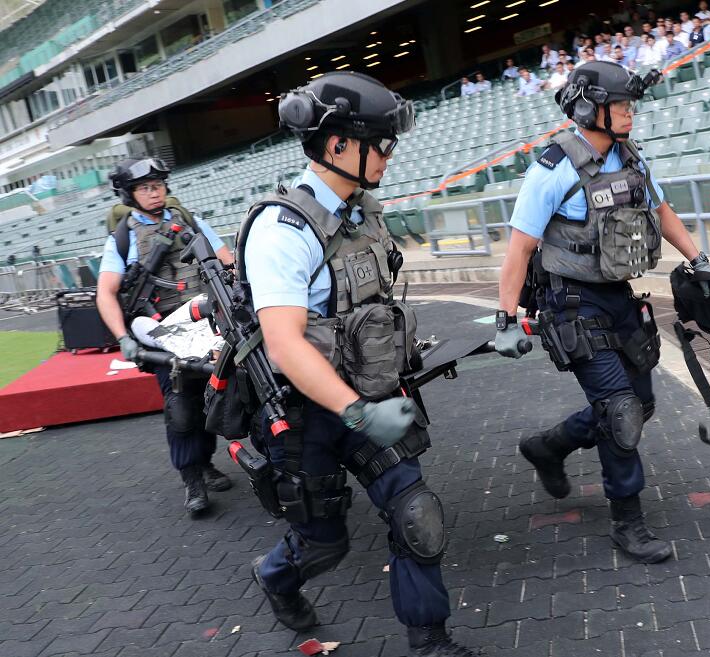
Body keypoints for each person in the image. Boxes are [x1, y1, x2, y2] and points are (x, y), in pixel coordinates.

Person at [244, 72, 477, 655]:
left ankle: (430, 643)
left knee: (417, 515)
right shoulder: (282, 229)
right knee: (324, 545)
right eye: (382, 143)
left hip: (368, 396)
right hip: (309, 412)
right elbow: (284, 344)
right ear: (337, 145)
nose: (389, 156)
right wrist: (353, 411)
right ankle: (276, 577)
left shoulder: (362, 211)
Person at [493, 61, 710, 563]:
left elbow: (661, 212)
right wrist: (506, 319)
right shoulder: (552, 168)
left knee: (640, 404)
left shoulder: (630, 158)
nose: (629, 113)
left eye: (629, 104)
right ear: (586, 108)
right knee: (619, 410)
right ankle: (628, 522)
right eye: (619, 105)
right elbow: (520, 248)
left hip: (616, 294)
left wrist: (699, 261)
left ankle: (550, 446)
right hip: (569, 300)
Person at [96, 158, 234, 518]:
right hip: (159, 332)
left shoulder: (190, 222)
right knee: (181, 408)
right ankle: (192, 479)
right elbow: (106, 293)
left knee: (212, 399)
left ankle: (206, 464)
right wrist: (123, 336)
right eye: (144, 188)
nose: (153, 193)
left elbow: (226, 260)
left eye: (157, 186)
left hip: (206, 324)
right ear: (130, 194)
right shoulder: (123, 238)